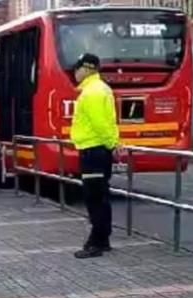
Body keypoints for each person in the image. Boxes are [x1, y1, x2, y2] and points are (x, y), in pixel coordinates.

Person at [70, 53, 121, 259]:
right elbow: (110, 122)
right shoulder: (103, 89)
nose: (75, 73)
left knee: (94, 198)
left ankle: (96, 242)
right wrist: (113, 144)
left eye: (77, 68)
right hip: (99, 149)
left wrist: (112, 143)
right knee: (101, 195)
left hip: (93, 151)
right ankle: (104, 239)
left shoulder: (91, 92)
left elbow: (100, 124)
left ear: (87, 69)